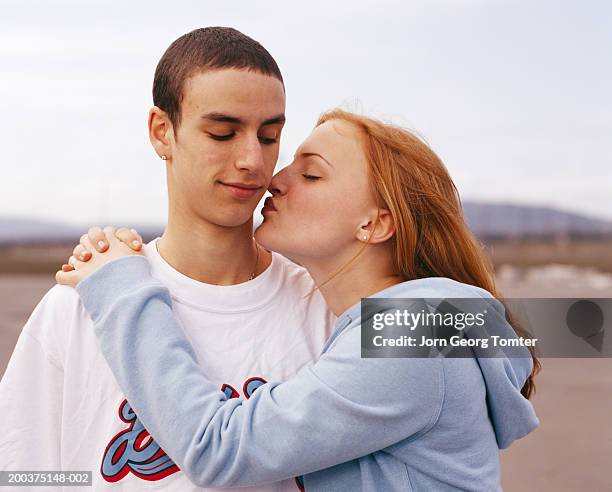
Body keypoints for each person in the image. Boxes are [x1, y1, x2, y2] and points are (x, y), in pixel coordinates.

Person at [57, 109, 540, 491]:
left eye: (311, 176)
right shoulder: (390, 325)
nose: (274, 179)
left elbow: (218, 449)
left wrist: (122, 286)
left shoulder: (411, 336)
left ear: (374, 224)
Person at [0, 27, 336, 491]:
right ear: (162, 132)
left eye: (269, 135)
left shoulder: (326, 305)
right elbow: (25, 474)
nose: (252, 161)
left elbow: (457, 333)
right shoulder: (78, 304)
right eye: (223, 133)